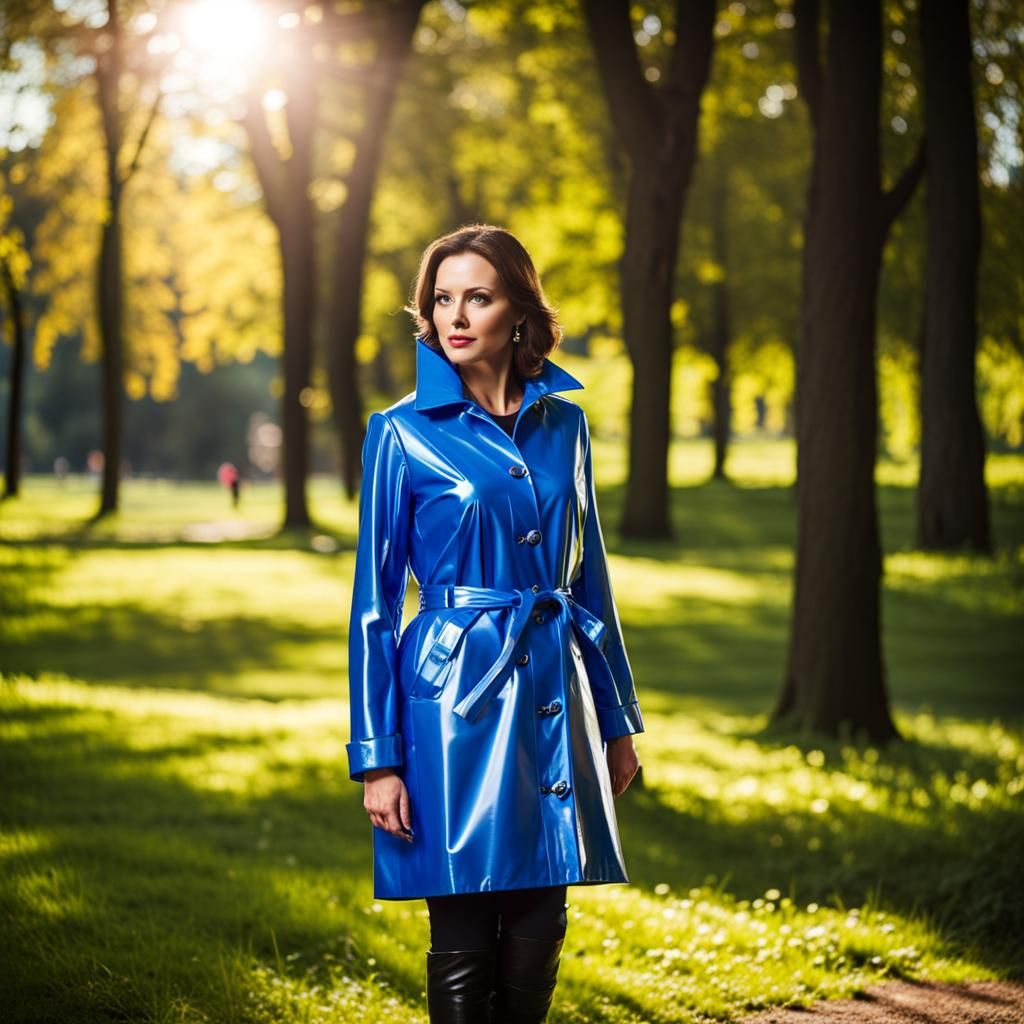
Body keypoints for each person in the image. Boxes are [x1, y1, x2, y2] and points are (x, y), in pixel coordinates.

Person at [346, 224, 643, 1023]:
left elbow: (590, 583)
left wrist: (617, 722)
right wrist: (377, 759)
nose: (456, 314)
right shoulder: (399, 432)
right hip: (450, 708)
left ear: (519, 311)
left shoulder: (565, 427)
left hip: (553, 684)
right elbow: (375, 606)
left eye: (477, 295)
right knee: (465, 914)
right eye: (442, 298)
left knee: (544, 913)